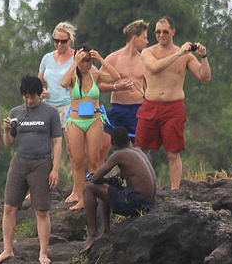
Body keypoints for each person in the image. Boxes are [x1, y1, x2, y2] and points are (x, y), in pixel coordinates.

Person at [0, 75, 62, 264]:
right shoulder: (16, 112)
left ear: (40, 94)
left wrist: (55, 169)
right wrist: (7, 130)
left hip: (41, 163)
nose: (29, 101)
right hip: (19, 162)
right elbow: (9, 144)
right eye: (26, 97)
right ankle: (7, 249)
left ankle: (43, 252)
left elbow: (57, 141)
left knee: (41, 210)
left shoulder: (50, 113)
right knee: (9, 207)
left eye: (32, 97)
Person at [138, 15, 210, 190]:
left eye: (165, 32)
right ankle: (136, 187)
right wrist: (179, 53)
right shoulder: (148, 52)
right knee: (139, 150)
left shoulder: (185, 56)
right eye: (158, 32)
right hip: (151, 105)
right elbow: (155, 68)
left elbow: (204, 76)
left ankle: (174, 190)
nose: (161, 35)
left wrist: (204, 57)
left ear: (173, 32)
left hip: (173, 107)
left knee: (173, 152)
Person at [60, 45, 125, 211]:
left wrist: (101, 59)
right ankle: (81, 198)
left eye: (88, 61)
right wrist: (74, 63)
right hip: (75, 120)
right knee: (77, 160)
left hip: (94, 119)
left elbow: (115, 77)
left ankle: (96, 196)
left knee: (94, 159)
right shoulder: (73, 75)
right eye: (82, 61)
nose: (85, 64)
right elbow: (63, 83)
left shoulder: (95, 74)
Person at [81, 125, 158, 252]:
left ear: (113, 144)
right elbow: (126, 175)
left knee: (89, 187)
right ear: (128, 140)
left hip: (137, 203)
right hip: (148, 202)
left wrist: (99, 178)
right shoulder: (137, 151)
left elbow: (95, 180)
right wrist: (110, 179)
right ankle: (105, 230)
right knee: (109, 188)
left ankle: (92, 233)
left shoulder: (119, 154)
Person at [37, 22, 77, 201]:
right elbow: (40, 81)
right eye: (56, 41)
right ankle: (40, 186)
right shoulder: (47, 59)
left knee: (71, 148)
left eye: (63, 41)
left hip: (69, 105)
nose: (59, 45)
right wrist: (41, 91)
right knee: (44, 147)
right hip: (49, 106)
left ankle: (78, 187)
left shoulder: (76, 57)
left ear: (70, 40)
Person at [99, 20, 149, 161]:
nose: (147, 41)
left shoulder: (144, 60)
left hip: (138, 110)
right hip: (118, 109)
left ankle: (134, 180)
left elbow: (149, 87)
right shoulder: (114, 58)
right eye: (144, 38)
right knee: (103, 147)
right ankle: (96, 179)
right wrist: (116, 87)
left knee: (141, 150)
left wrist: (148, 97)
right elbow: (97, 85)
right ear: (134, 38)